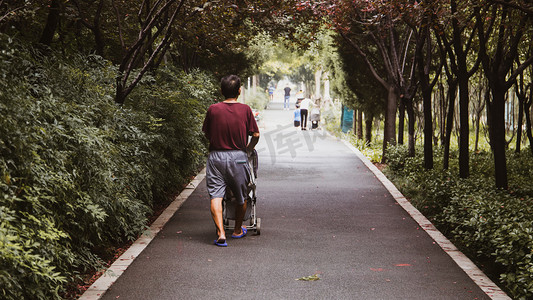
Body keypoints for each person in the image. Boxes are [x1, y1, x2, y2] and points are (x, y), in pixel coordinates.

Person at [202, 75, 260, 247]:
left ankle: (221, 233)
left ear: (221, 91)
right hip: (239, 158)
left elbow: (207, 133)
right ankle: (236, 230)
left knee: (216, 195)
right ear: (239, 90)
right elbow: (256, 135)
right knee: (242, 196)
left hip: (216, 157)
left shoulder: (213, 109)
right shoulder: (245, 109)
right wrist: (248, 148)